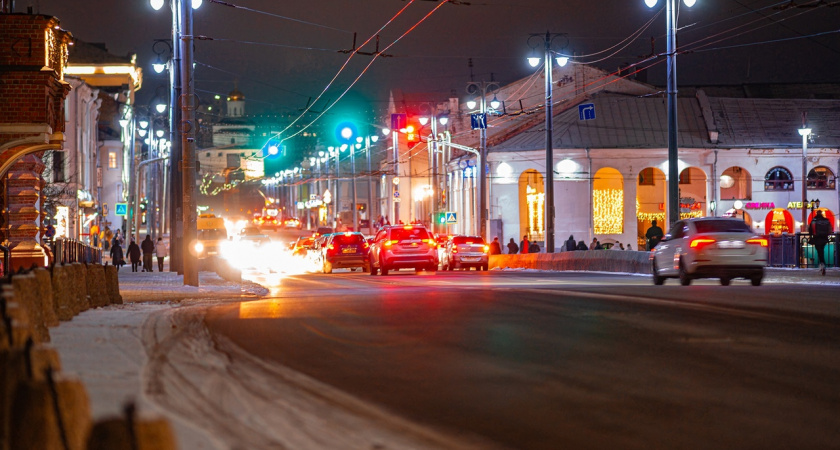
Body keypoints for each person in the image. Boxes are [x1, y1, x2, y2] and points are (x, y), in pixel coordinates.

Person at [808, 210, 833, 275]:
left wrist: (811, 236)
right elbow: (830, 229)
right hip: (824, 238)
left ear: (816, 213)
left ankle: (822, 264)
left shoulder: (814, 220)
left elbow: (810, 229)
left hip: (817, 238)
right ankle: (822, 265)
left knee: (819, 251)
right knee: (821, 251)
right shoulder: (826, 220)